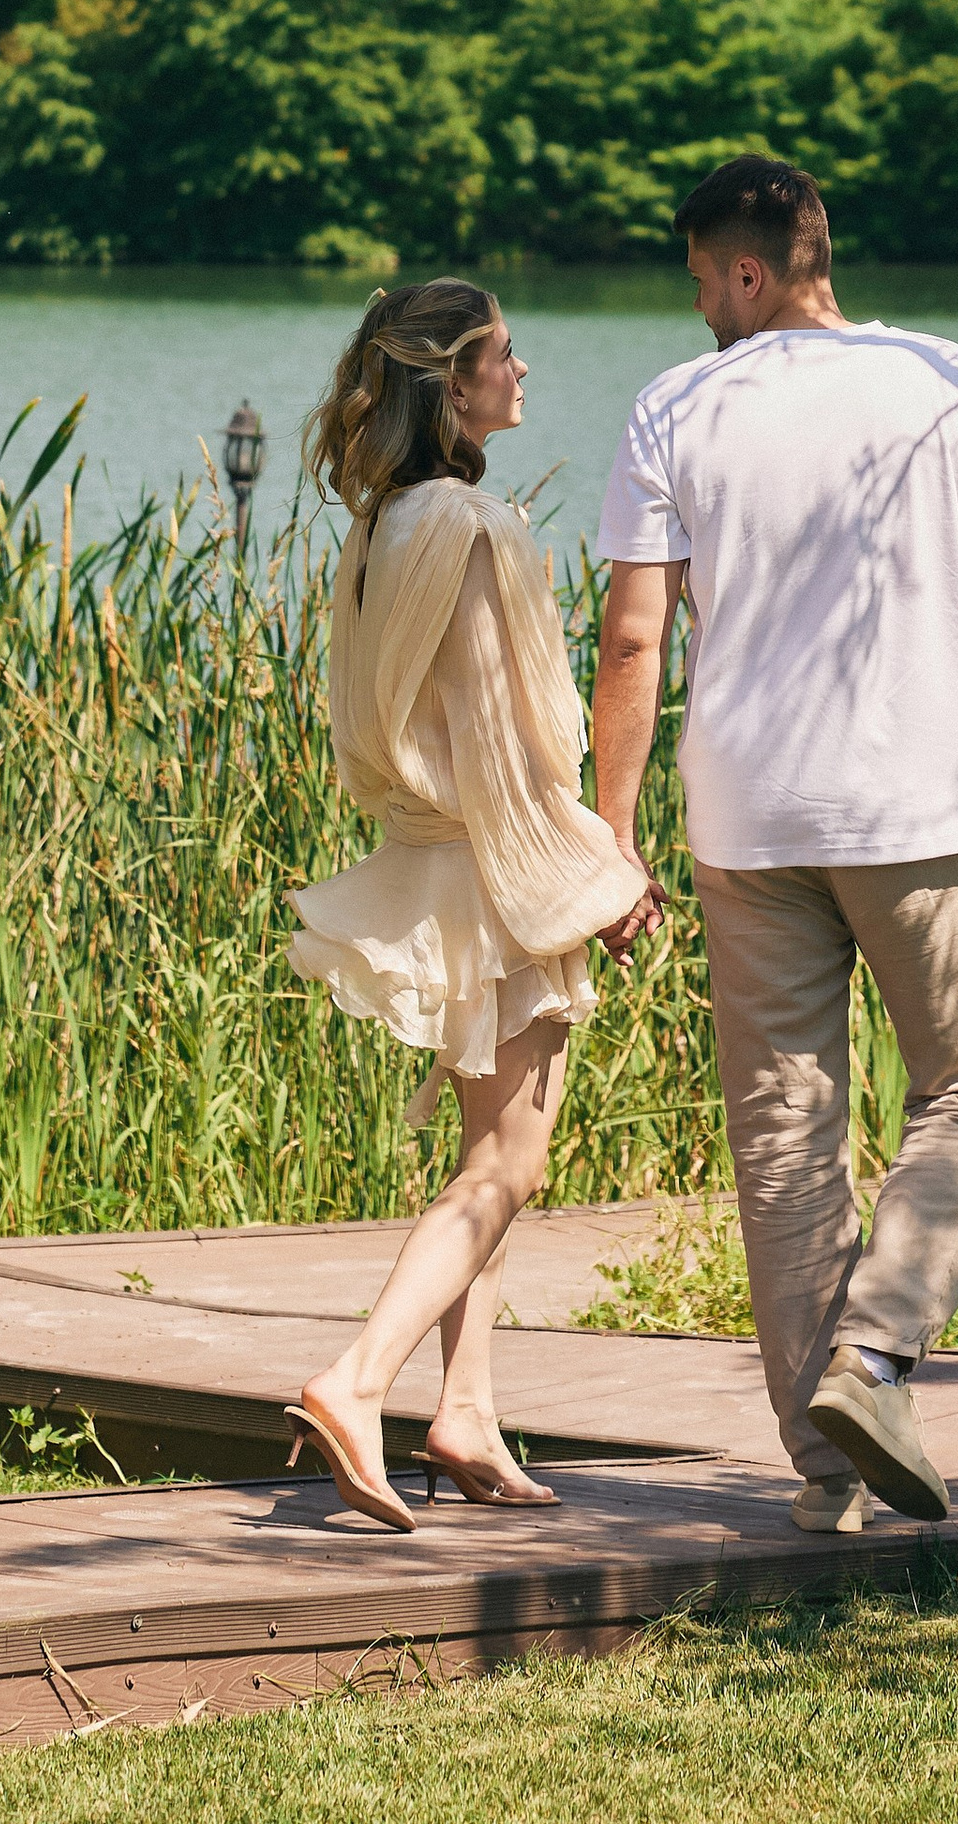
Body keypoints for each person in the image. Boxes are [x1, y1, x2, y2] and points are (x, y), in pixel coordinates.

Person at [591, 155, 958, 1535]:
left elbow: (632, 637)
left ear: (748, 271)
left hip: (748, 818)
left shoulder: (672, 409)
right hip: (919, 805)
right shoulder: (945, 381)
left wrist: (611, 837)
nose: (696, 309)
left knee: (785, 1138)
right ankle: (876, 1355)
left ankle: (824, 1474)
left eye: (698, 281)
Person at [284, 277, 652, 1531]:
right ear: (453, 380)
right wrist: (598, 873)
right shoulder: (475, 524)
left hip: (435, 863)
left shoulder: (384, 519)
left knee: (484, 1158)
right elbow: (509, 747)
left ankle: (467, 1414)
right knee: (510, 1157)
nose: (525, 372)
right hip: (496, 872)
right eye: (506, 354)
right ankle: (357, 1378)